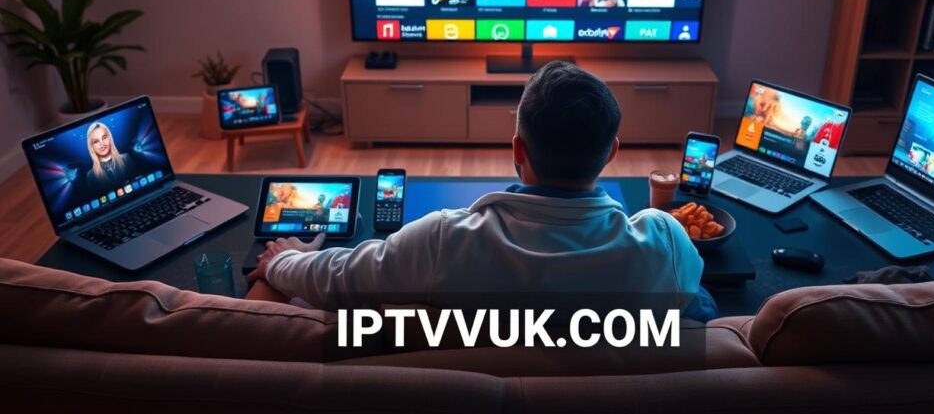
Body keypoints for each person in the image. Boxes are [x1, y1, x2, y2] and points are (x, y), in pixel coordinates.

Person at [247, 62, 717, 322]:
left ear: (518, 148)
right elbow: (702, 312)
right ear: (612, 151)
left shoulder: (441, 240)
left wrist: (283, 261)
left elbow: (340, 278)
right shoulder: (665, 242)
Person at [84, 122, 136, 193]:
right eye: (96, 141)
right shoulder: (90, 175)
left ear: (110, 138)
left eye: (104, 137)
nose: (102, 143)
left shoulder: (126, 158)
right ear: (91, 147)